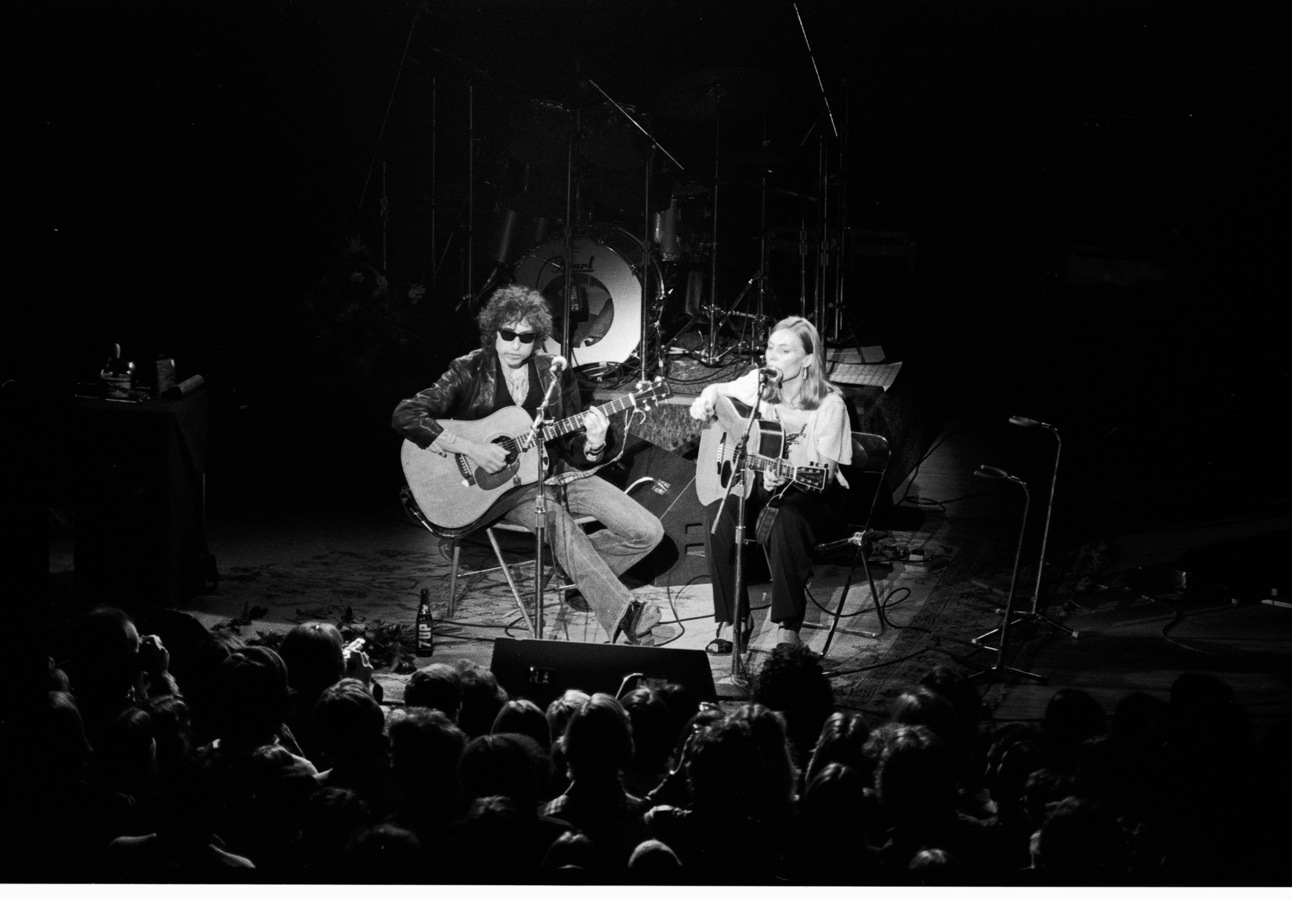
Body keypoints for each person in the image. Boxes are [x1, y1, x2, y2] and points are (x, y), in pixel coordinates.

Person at [393, 284, 665, 644]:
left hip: (554, 476)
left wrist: (595, 444)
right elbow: (406, 414)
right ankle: (624, 613)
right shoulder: (468, 369)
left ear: (538, 338)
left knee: (647, 532)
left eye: (526, 337)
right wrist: (472, 449)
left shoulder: (553, 373)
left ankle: (584, 578)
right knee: (553, 518)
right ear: (494, 332)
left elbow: (573, 449)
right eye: (507, 334)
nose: (515, 344)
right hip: (497, 494)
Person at [688, 315, 852, 650]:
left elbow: (825, 472)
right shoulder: (760, 384)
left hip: (813, 496)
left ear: (807, 360)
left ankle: (787, 626)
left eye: (784, 351)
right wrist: (705, 401)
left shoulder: (830, 404)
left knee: (785, 519)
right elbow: (718, 391)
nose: (772, 357)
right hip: (762, 487)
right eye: (770, 348)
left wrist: (787, 474)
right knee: (718, 517)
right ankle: (733, 621)